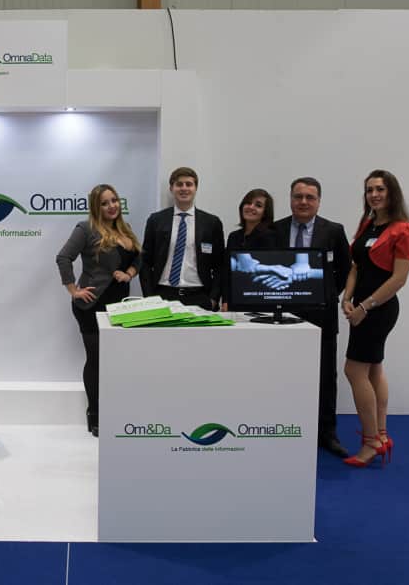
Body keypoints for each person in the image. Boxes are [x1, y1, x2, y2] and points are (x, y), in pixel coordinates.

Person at [341, 170, 409, 467]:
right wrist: (347, 298)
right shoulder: (368, 224)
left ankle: (371, 442)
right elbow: (356, 267)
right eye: (369, 190)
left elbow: (399, 279)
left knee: (353, 370)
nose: (374, 195)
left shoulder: (404, 229)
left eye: (380, 189)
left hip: (379, 309)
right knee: (373, 369)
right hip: (360, 307)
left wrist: (365, 307)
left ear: (392, 192)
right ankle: (381, 435)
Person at [273, 177, 351, 457]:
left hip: (322, 315)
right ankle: (280, 427)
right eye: (298, 196)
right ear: (290, 199)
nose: (303, 202)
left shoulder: (334, 231)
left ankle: (326, 434)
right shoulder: (275, 229)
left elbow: (345, 270)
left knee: (325, 376)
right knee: (280, 373)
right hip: (281, 313)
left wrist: (324, 294)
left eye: (310, 197)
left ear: (319, 201)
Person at [56, 184, 141, 438]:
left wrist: (129, 274)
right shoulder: (86, 229)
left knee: (114, 361)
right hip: (92, 306)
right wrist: (73, 290)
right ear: (96, 206)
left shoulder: (125, 229)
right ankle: (95, 414)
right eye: (104, 203)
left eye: (114, 200)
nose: (111, 206)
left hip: (120, 307)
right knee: (96, 360)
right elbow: (63, 257)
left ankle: (113, 411)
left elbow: (139, 257)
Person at [139, 167, 225, 311]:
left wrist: (214, 298)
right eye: (179, 184)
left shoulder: (211, 223)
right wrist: (149, 297)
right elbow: (145, 261)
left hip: (199, 296)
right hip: (163, 295)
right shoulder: (156, 220)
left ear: (195, 188)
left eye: (189, 184)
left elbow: (219, 265)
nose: (184, 188)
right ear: (171, 188)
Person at [222, 189, 278, 310]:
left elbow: (265, 273)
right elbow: (226, 272)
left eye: (258, 205)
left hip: (258, 299)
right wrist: (226, 300)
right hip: (234, 298)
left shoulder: (269, 237)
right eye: (248, 203)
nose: (251, 207)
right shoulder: (234, 236)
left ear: (265, 213)